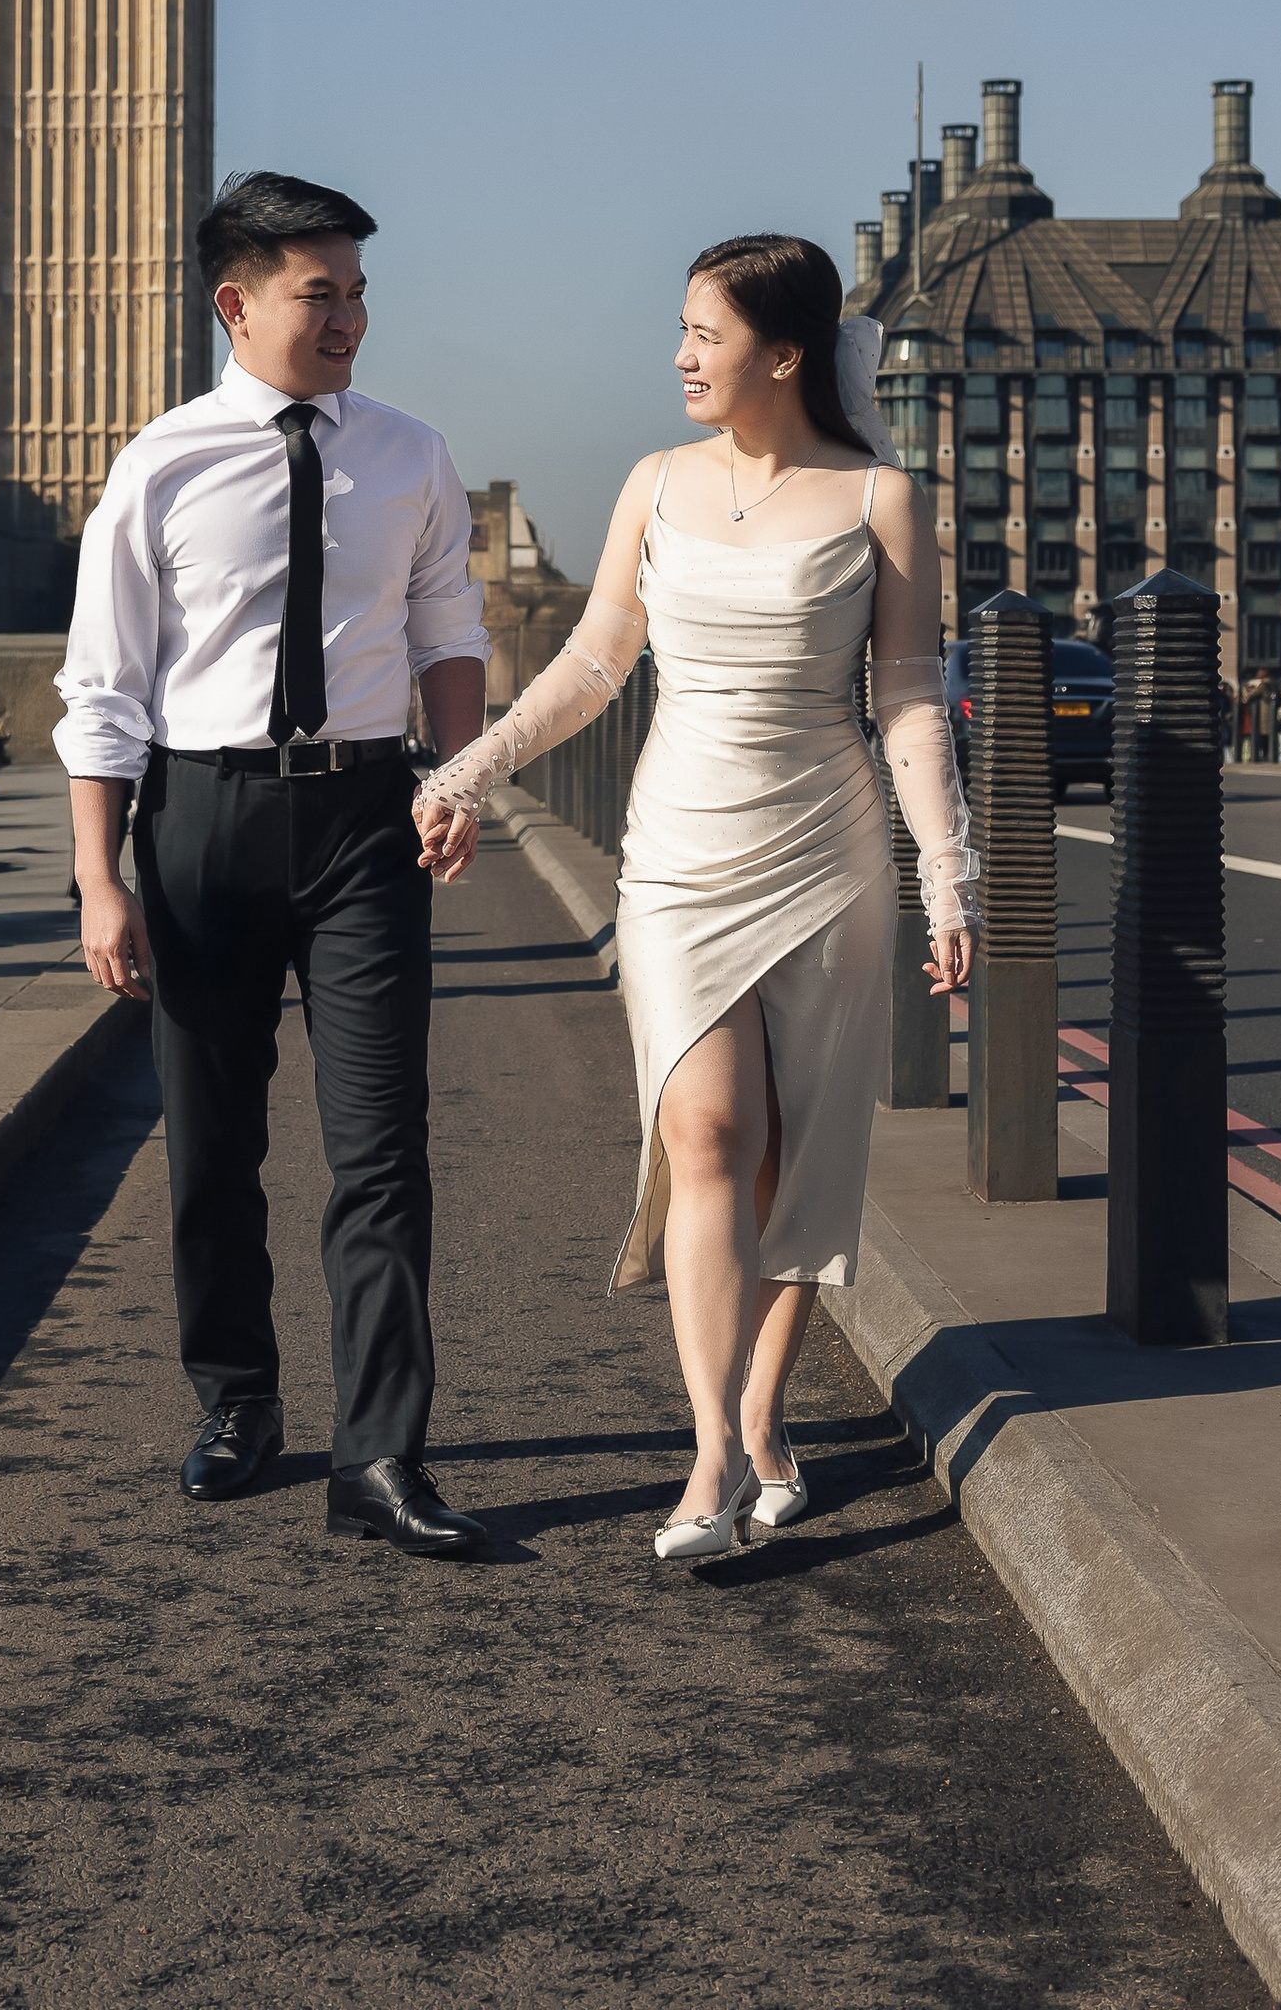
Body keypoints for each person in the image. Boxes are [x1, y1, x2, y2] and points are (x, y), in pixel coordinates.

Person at [419, 234, 976, 1565]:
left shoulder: (883, 501)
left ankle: (764, 1417)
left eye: (701, 335)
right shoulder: (655, 485)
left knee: (792, 1157)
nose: (678, 356)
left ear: (781, 355)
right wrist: (472, 767)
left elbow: (907, 703)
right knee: (711, 1132)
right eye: (677, 331)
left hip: (824, 851)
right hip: (675, 854)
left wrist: (947, 873)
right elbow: (594, 663)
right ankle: (714, 1450)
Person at [60, 170, 494, 1560]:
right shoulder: (161, 464)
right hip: (201, 820)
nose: (351, 317)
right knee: (212, 1149)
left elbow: (446, 630)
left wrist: (460, 775)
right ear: (236, 304)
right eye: (324, 293)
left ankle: (380, 1455)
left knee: (382, 1153)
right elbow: (104, 688)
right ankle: (238, 1402)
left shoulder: (413, 455)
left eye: (360, 291)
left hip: (366, 818)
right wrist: (97, 877)